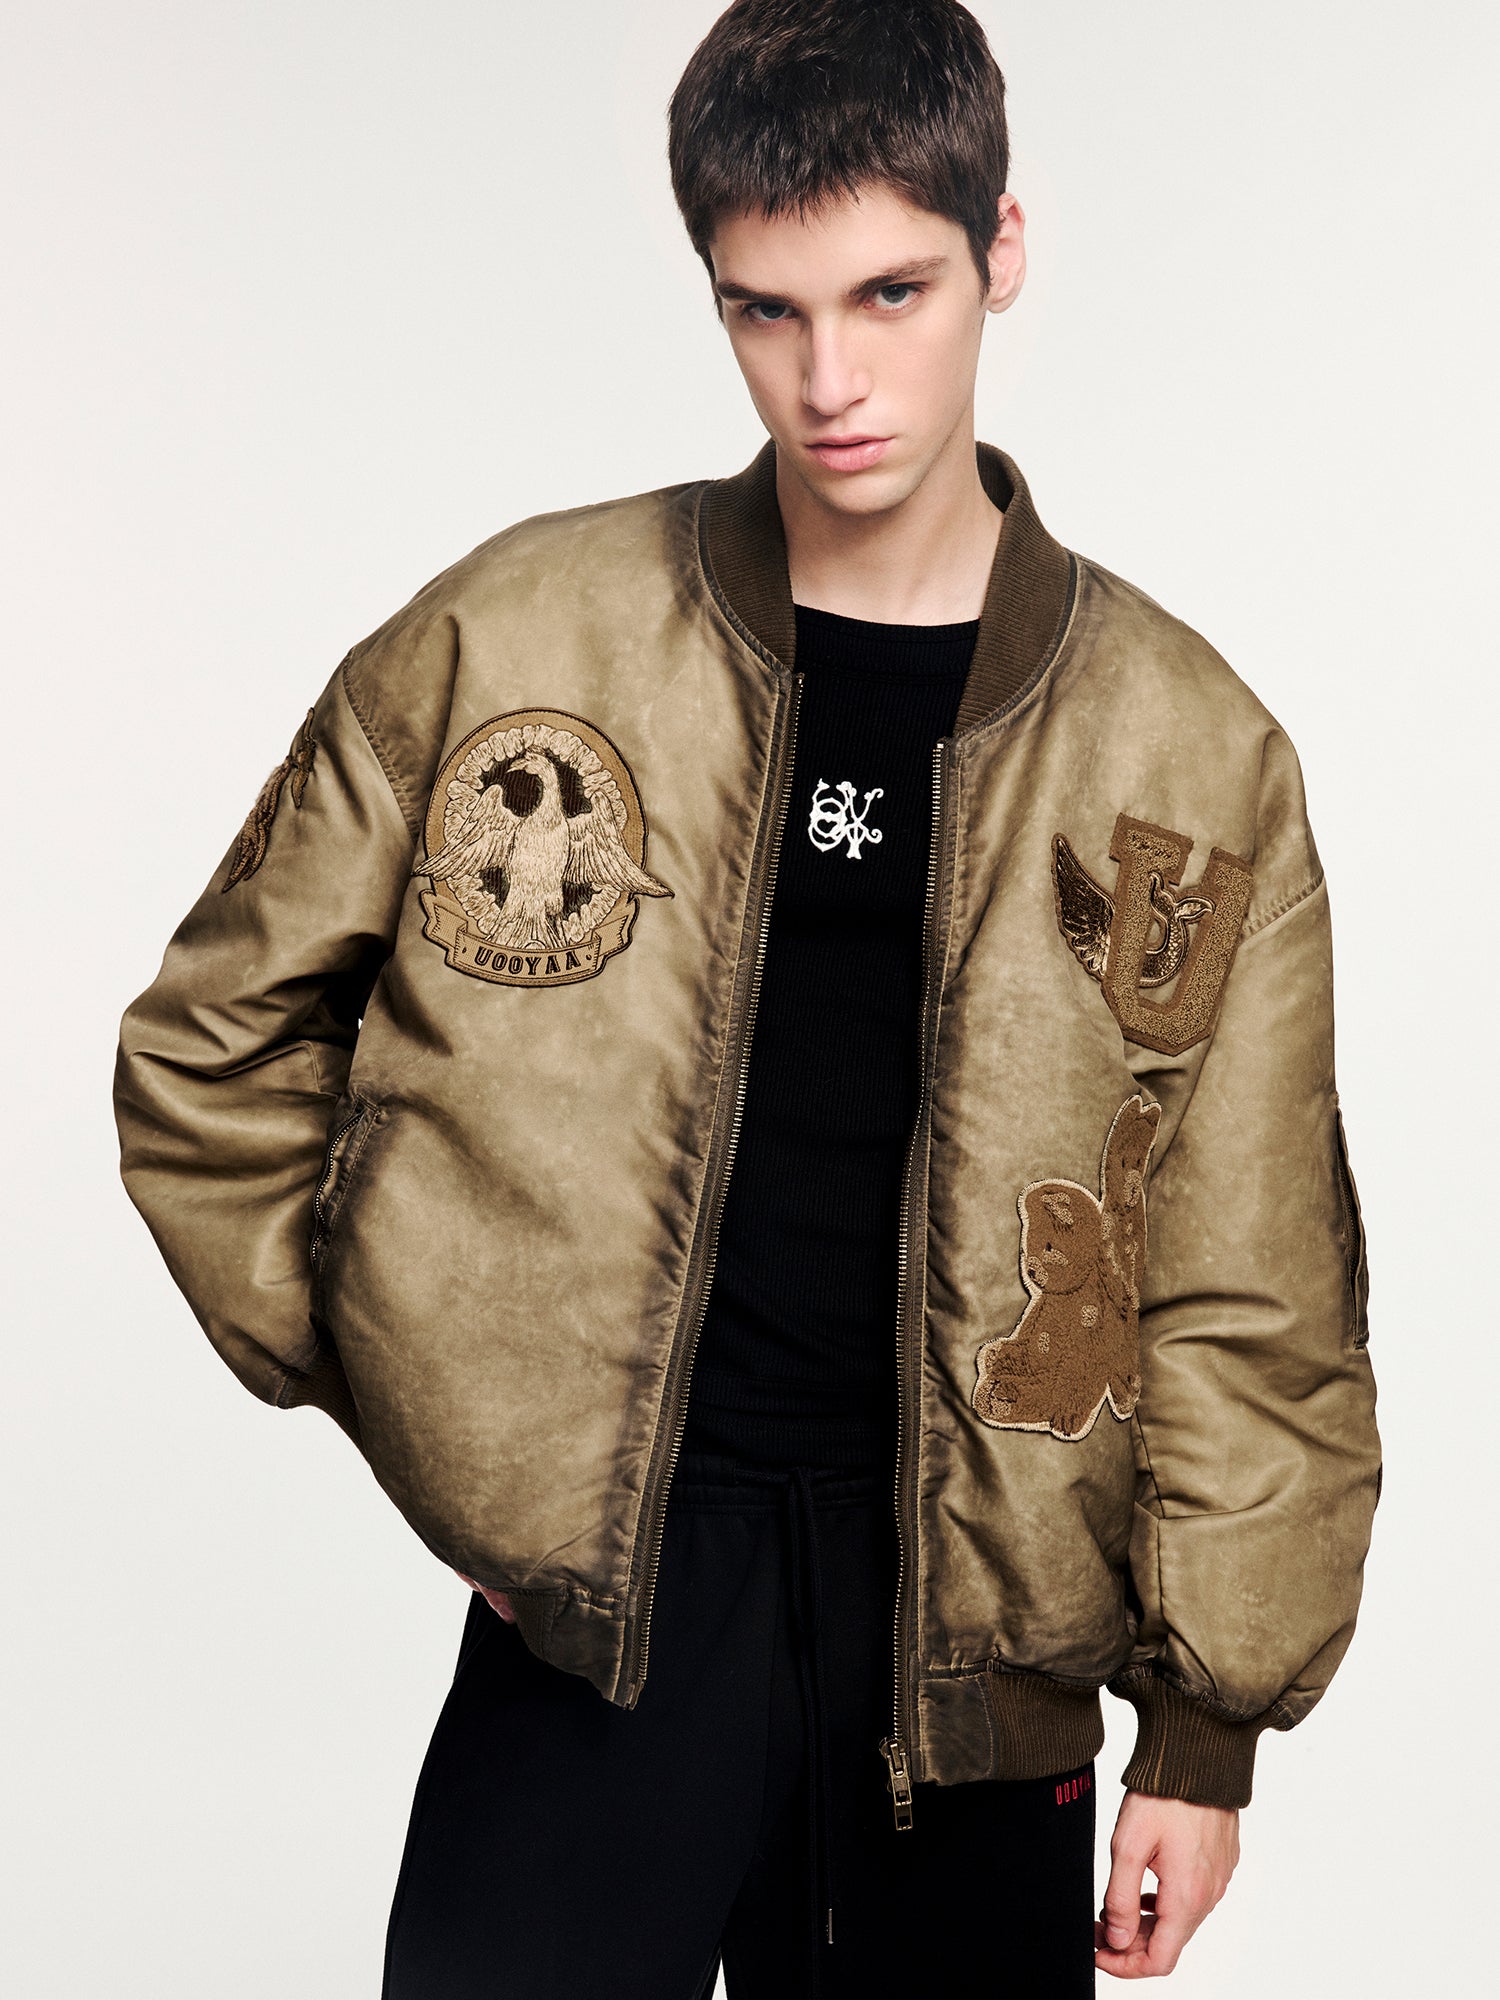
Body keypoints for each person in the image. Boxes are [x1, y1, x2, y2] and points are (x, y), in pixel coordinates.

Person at [113, 1, 1380, 1992]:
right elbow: (212, 1049)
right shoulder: (521, 632)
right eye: (765, 311)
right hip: (604, 1615)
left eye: (891, 294)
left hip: (974, 1653)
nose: (832, 380)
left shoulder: (1190, 752)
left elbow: (1254, 1274)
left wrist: (1204, 1734)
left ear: (1004, 249)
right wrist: (447, 1417)